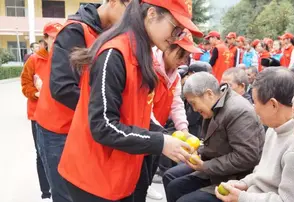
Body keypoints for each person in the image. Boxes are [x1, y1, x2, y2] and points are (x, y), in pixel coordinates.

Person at [57, 0, 203, 201]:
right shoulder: (114, 54)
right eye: (176, 28)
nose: (177, 37)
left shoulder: (142, 56)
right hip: (93, 177)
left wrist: (169, 138)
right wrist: (160, 142)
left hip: (118, 173)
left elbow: (139, 114)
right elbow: (103, 126)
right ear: (151, 14)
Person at [34, 2, 131, 202]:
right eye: (128, 12)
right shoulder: (75, 31)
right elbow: (62, 87)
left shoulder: (107, 34)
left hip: (84, 127)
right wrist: (103, 108)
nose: (130, 21)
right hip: (58, 129)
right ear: (113, 2)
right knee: (66, 194)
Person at [215, 67, 294, 202]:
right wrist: (244, 183)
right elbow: (262, 172)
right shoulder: (274, 129)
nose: (254, 108)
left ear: (273, 105)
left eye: (255, 103)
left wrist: (242, 198)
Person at [164, 72, 265, 202]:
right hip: (216, 169)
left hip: (236, 178)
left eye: (194, 103)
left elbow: (247, 156)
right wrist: (197, 152)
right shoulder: (215, 105)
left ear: (209, 94)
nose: (194, 109)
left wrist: (205, 166)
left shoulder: (238, 111)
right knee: (173, 185)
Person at [147, 31, 202, 200]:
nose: (184, 61)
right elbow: (145, 107)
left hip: (156, 130)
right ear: (168, 48)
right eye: (181, 54)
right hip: (144, 128)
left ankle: (146, 186)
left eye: (187, 57)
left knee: (150, 163)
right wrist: (161, 132)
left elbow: (176, 104)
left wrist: (183, 130)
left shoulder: (175, 76)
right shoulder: (150, 69)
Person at [20, 22, 61, 200]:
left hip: (59, 116)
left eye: (58, 37)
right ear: (45, 39)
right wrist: (39, 93)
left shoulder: (63, 59)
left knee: (59, 154)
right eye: (52, 37)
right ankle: (46, 192)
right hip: (38, 115)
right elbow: (25, 85)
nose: (56, 41)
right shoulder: (34, 60)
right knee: (41, 153)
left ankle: (59, 189)